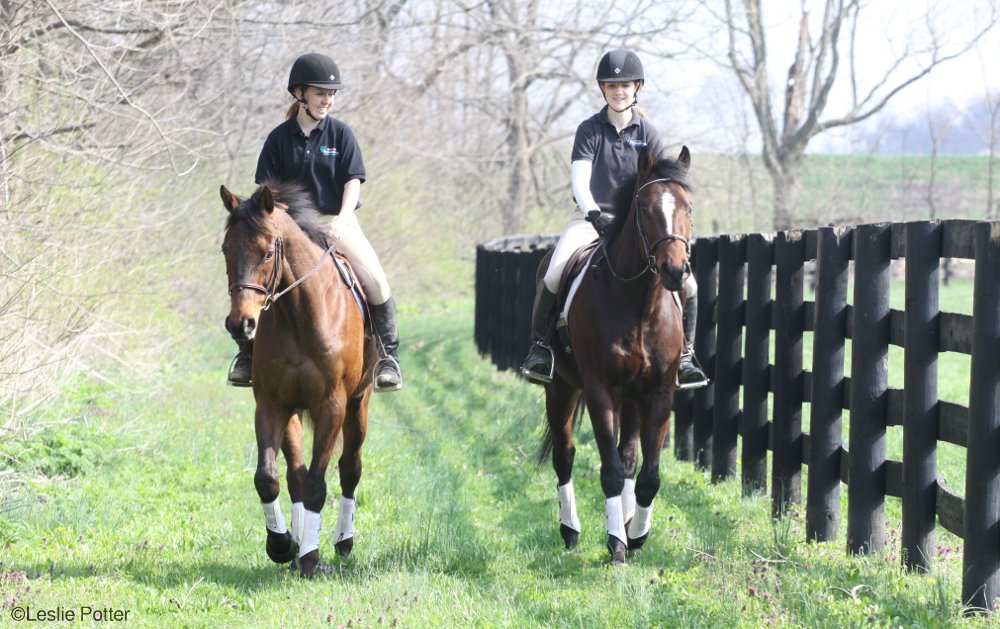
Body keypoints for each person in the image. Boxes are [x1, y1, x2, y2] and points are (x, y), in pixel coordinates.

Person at [519, 48, 708, 390]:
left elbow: (658, 186)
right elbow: (580, 178)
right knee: (555, 271)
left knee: (690, 285)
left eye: (625, 85)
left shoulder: (648, 133)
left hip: (636, 223)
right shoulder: (589, 130)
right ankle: (540, 348)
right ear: (602, 89)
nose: (618, 91)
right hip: (591, 217)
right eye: (611, 85)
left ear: (638, 87)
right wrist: (593, 212)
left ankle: (685, 356)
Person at [227, 52, 403, 392]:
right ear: (300, 94)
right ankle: (248, 354)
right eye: (321, 92)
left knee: (378, 283)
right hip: (288, 229)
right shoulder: (278, 139)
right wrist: (280, 228)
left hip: (336, 222)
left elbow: (353, 182)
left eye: (332, 94)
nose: (328, 99)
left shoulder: (341, 135)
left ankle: (387, 359)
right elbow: (267, 194)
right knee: (253, 279)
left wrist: (342, 219)